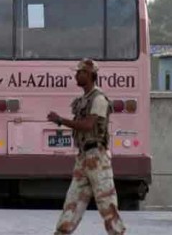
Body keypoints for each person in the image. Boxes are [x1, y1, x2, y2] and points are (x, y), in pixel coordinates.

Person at [47, 59, 126, 235]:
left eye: (80, 72)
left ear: (90, 75)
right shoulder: (85, 99)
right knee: (72, 203)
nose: (76, 75)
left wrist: (61, 120)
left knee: (107, 203)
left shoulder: (98, 99)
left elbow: (88, 125)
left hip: (97, 158)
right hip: (84, 158)